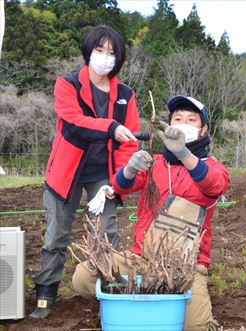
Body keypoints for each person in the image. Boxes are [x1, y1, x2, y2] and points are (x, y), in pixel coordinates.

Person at [72, 95, 230, 331]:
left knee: (196, 326)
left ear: (203, 130)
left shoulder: (212, 166)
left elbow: (215, 186)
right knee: (82, 278)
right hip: (142, 258)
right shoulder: (155, 163)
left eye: (191, 119)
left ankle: (156, 300)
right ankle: (127, 301)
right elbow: (120, 185)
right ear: (168, 126)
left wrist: (185, 155)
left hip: (187, 265)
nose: (183, 123)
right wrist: (130, 168)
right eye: (177, 119)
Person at [31, 25, 140, 319]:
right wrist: (111, 127)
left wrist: (119, 182)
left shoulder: (125, 95)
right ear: (88, 52)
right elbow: (73, 122)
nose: (105, 57)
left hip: (104, 174)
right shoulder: (67, 85)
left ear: (118, 59)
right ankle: (46, 294)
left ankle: (109, 293)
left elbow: (129, 142)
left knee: (106, 233)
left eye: (112, 52)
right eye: (99, 50)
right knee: (56, 235)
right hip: (66, 172)